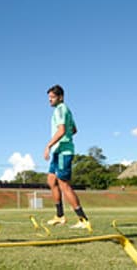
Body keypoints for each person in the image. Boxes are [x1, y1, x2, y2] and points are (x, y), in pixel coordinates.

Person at [44, 85, 92, 231]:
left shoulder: (60, 109)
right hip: (59, 151)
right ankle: (60, 216)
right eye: (49, 98)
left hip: (63, 152)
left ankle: (83, 219)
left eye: (52, 97)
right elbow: (74, 130)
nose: (50, 100)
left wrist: (49, 145)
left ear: (61, 97)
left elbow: (62, 130)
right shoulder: (65, 110)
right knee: (51, 181)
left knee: (64, 185)